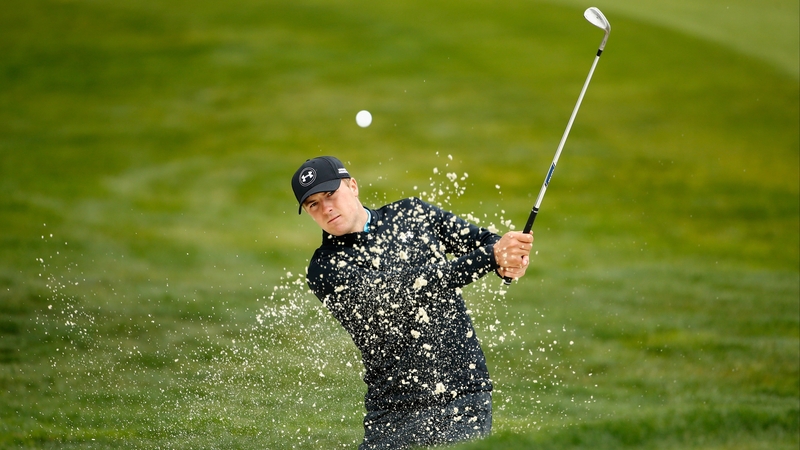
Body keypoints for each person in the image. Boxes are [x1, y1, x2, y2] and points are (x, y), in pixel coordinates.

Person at [291, 156, 532, 449]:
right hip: (394, 413)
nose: (326, 208)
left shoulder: (411, 213)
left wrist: (509, 259)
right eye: (313, 204)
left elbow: (485, 242)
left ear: (352, 186)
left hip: (463, 397)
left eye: (330, 194)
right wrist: (491, 257)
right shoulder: (326, 268)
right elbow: (404, 291)